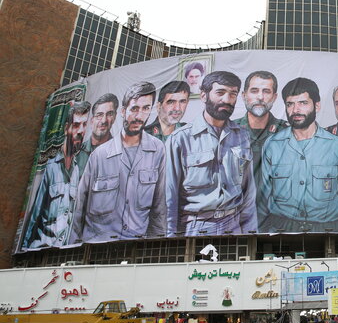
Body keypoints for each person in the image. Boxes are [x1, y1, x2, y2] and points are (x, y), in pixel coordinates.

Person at [71, 82, 166, 242]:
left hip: (135, 248)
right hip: (96, 247)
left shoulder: (157, 149)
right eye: (134, 108)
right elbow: (79, 208)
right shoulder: (99, 155)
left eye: (145, 109)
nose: (139, 116)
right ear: (123, 111)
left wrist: (156, 250)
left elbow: (159, 208)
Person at [259, 77, 338, 232]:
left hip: (327, 230)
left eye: (303, 103)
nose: (295, 110)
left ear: (317, 106)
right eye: (290, 104)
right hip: (281, 229)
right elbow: (262, 199)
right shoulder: (272, 145)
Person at [166, 71, 257, 236]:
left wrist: (250, 234)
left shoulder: (242, 136)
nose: (227, 100)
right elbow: (169, 197)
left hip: (234, 226)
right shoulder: (180, 139)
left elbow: (249, 193)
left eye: (232, 94)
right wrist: (170, 240)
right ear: (203, 96)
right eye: (220, 93)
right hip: (195, 227)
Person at [22, 101, 91, 248]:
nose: (81, 131)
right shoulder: (49, 166)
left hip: (61, 251)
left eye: (84, 125)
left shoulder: (77, 168)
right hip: (39, 249)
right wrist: (24, 250)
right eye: (76, 125)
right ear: (66, 128)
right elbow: (34, 216)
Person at [234, 71, 289, 225]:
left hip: (279, 221)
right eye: (254, 91)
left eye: (266, 91)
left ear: (275, 97)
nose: (260, 97)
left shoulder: (288, 133)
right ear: (244, 95)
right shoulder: (228, 132)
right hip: (237, 220)